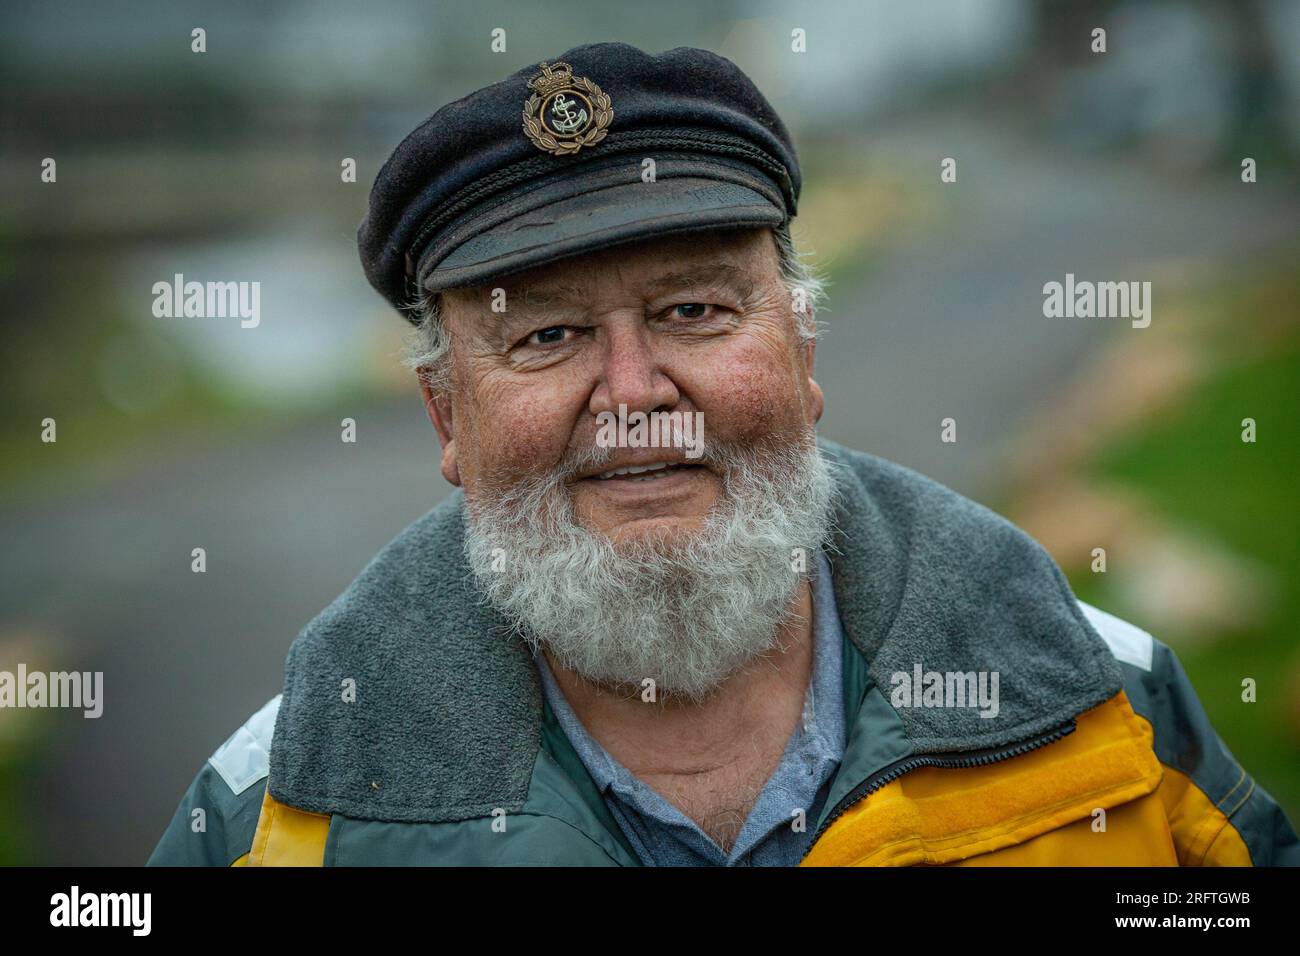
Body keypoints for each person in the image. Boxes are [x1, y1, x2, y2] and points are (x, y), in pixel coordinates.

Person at [148, 42, 1298, 867]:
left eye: (694, 310)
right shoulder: (277, 808)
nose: (636, 394)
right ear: (448, 419)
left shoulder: (1101, 697)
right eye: (546, 335)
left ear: (800, 352)